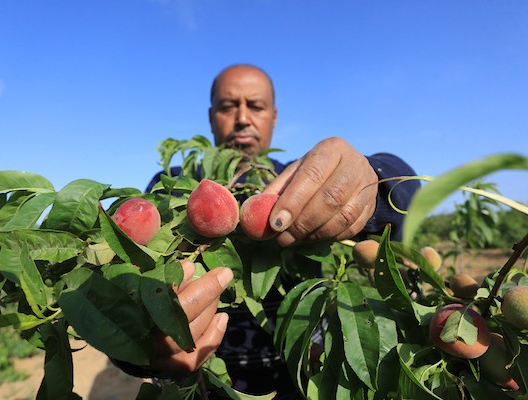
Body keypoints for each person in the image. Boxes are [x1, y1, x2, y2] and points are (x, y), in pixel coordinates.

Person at [122, 64, 420, 398]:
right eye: (227, 106)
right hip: (207, 387)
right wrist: (140, 350)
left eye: (256, 106)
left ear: (274, 117)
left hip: (301, 383)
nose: (242, 118)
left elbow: (407, 193)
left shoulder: (295, 182)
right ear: (210, 117)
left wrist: (370, 178)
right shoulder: (174, 192)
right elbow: (130, 297)